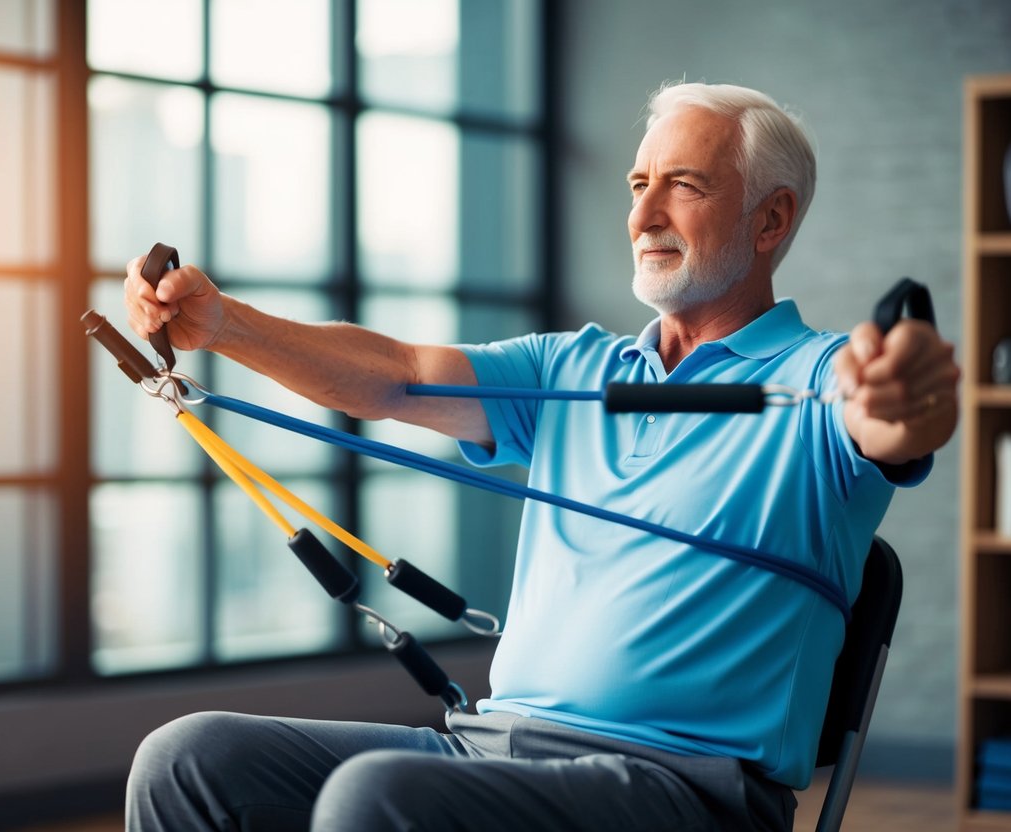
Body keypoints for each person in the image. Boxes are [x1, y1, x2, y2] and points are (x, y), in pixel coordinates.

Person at [120, 81, 960, 832]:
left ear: (770, 220)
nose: (643, 216)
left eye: (685, 186)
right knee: (186, 759)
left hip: (680, 792)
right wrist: (224, 326)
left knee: (374, 800)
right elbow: (398, 377)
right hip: (490, 752)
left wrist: (905, 391)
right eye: (638, 186)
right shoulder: (571, 368)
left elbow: (892, 422)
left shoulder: (816, 379)